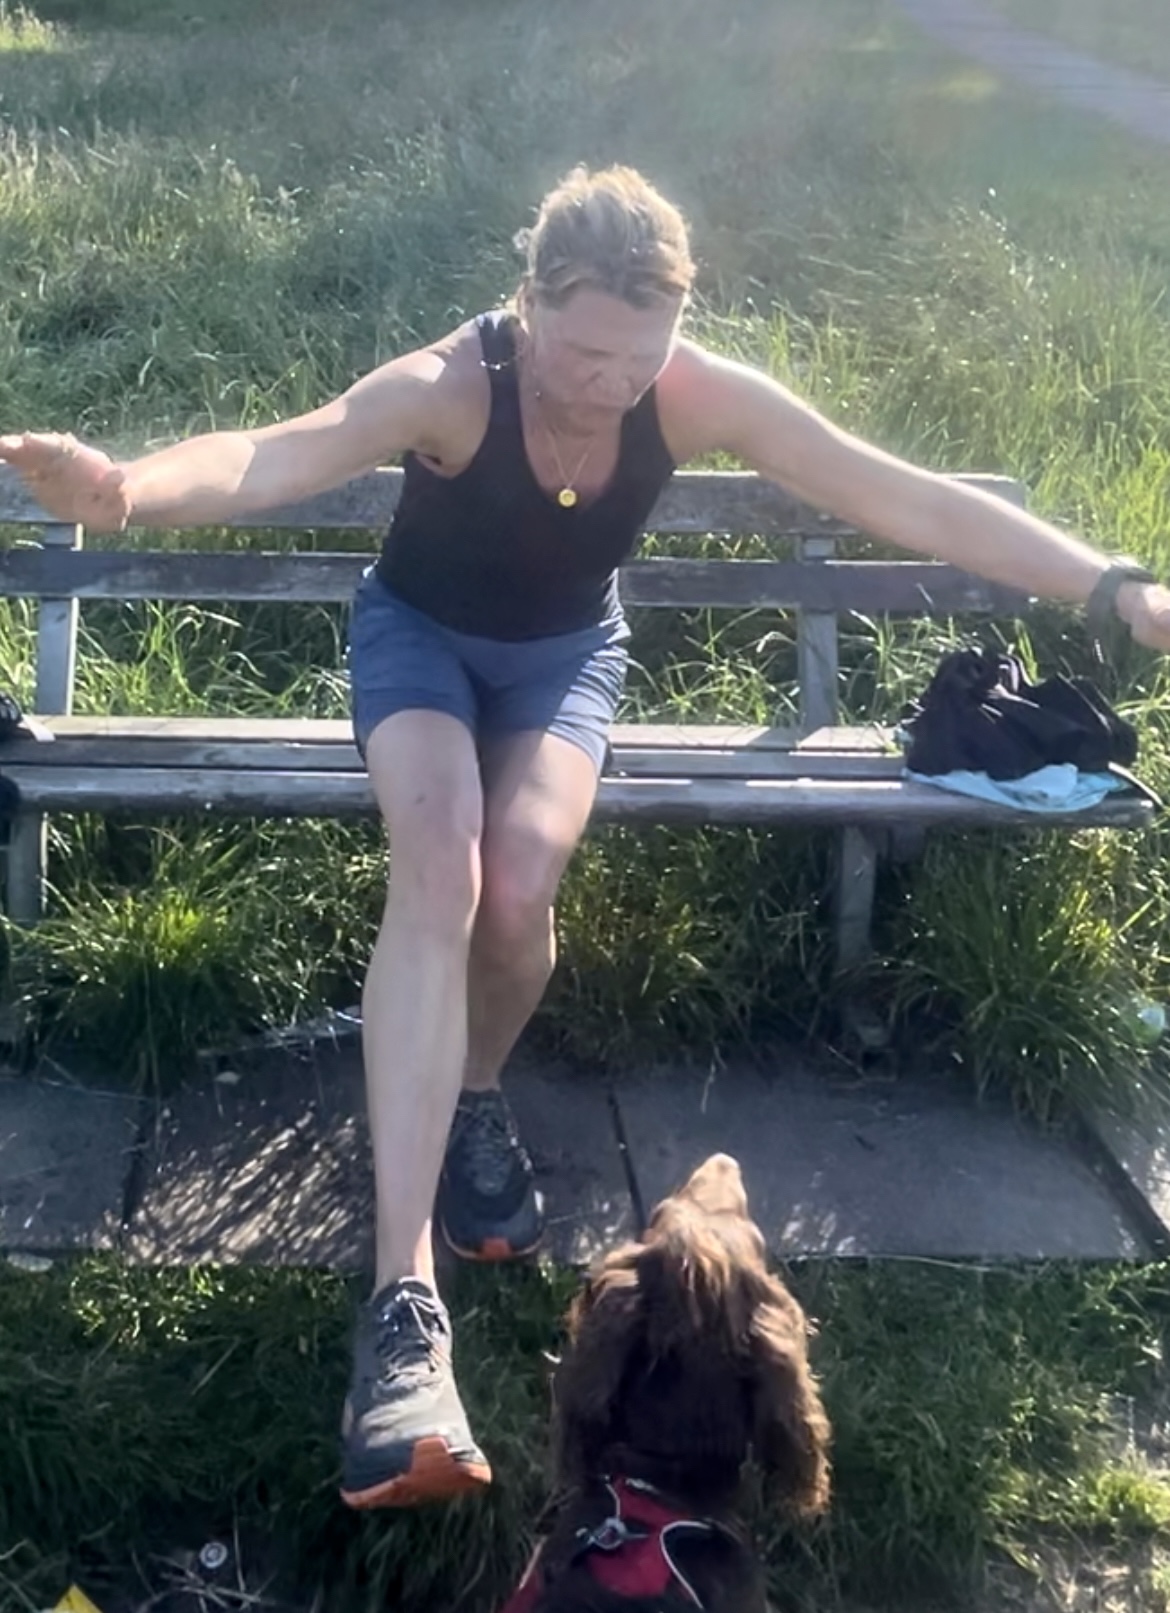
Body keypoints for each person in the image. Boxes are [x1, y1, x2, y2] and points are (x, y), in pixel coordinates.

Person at [3, 164, 1168, 1512]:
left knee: (518, 882)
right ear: (529, 304)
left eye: (639, 355)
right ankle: (401, 1306)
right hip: (420, 645)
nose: (609, 384)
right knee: (442, 862)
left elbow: (897, 494)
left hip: (563, 659)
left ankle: (472, 1094)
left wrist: (1107, 580)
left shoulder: (691, 394)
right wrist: (125, 490)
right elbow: (282, 449)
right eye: (583, 352)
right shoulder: (455, 385)